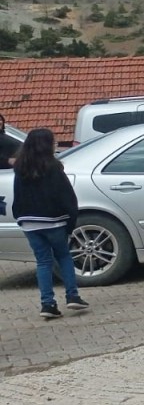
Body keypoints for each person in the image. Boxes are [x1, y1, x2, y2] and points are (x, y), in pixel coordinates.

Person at [12, 128, 89, 319]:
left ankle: (47, 304)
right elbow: (67, 197)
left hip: (29, 222)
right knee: (63, 257)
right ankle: (72, 296)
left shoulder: (20, 168)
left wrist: (20, 218)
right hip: (54, 222)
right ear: (48, 145)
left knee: (43, 262)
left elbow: (17, 197)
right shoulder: (53, 167)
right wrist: (71, 223)